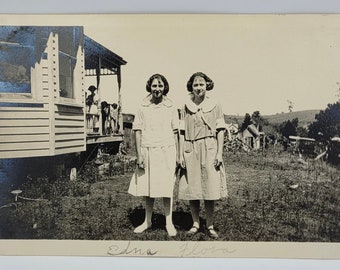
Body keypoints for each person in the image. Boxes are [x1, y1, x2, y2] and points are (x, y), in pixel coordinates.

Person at [128, 74, 179, 237]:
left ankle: (168, 222)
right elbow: (137, 131)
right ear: (149, 87)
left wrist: (178, 155)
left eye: (160, 86)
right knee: (148, 187)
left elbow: (176, 131)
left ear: (165, 88)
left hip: (166, 150)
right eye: (154, 86)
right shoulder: (143, 106)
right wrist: (139, 155)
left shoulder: (171, 106)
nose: (157, 89)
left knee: (166, 188)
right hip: (148, 149)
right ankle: (147, 221)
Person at [178, 72, 228, 239]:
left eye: (201, 84)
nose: (198, 87)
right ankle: (195, 223)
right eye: (195, 85)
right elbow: (181, 131)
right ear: (191, 87)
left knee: (209, 187)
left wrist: (219, 153)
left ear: (207, 85)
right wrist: (180, 154)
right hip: (190, 147)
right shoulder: (185, 106)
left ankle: (210, 224)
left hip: (210, 146)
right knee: (193, 187)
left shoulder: (215, 105)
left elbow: (220, 130)